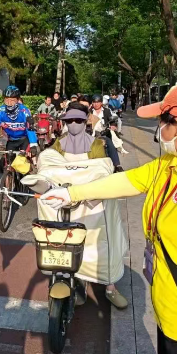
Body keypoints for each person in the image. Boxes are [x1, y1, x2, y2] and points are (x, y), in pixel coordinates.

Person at [41, 82, 177, 354]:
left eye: (162, 121)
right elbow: (128, 181)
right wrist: (71, 193)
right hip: (170, 312)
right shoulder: (172, 162)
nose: (159, 129)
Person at [46, 103, 128, 308]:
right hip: (67, 203)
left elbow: (103, 171)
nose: (74, 124)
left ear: (86, 121)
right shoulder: (58, 144)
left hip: (93, 203)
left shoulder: (98, 144)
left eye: (78, 120)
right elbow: (48, 168)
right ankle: (75, 280)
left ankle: (110, 288)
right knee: (67, 242)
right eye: (69, 121)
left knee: (102, 242)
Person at [69, 101, 124, 173]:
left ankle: (117, 165)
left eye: (85, 106)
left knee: (107, 140)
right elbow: (65, 131)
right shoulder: (69, 119)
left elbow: (100, 128)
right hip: (73, 141)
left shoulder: (95, 118)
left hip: (93, 138)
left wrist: (103, 131)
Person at [0, 85, 38, 158]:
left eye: (12, 100)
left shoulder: (24, 111)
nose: (9, 103)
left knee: (24, 160)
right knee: (9, 161)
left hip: (24, 139)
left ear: (18, 100)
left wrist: (33, 144)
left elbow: (30, 128)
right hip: (11, 140)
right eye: (6, 100)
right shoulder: (0, 111)